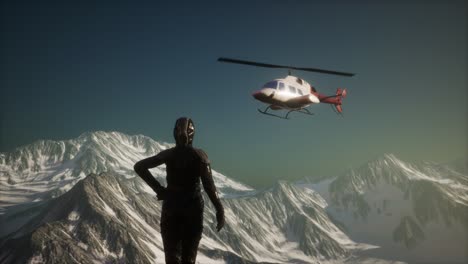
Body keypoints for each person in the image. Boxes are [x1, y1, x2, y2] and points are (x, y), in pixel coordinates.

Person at [134, 117, 225, 264]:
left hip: (171, 208)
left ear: (174, 133)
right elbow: (209, 186)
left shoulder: (168, 155)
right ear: (193, 135)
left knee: (172, 258)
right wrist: (219, 209)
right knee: (189, 258)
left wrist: (160, 190)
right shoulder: (200, 156)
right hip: (193, 209)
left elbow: (139, 167)